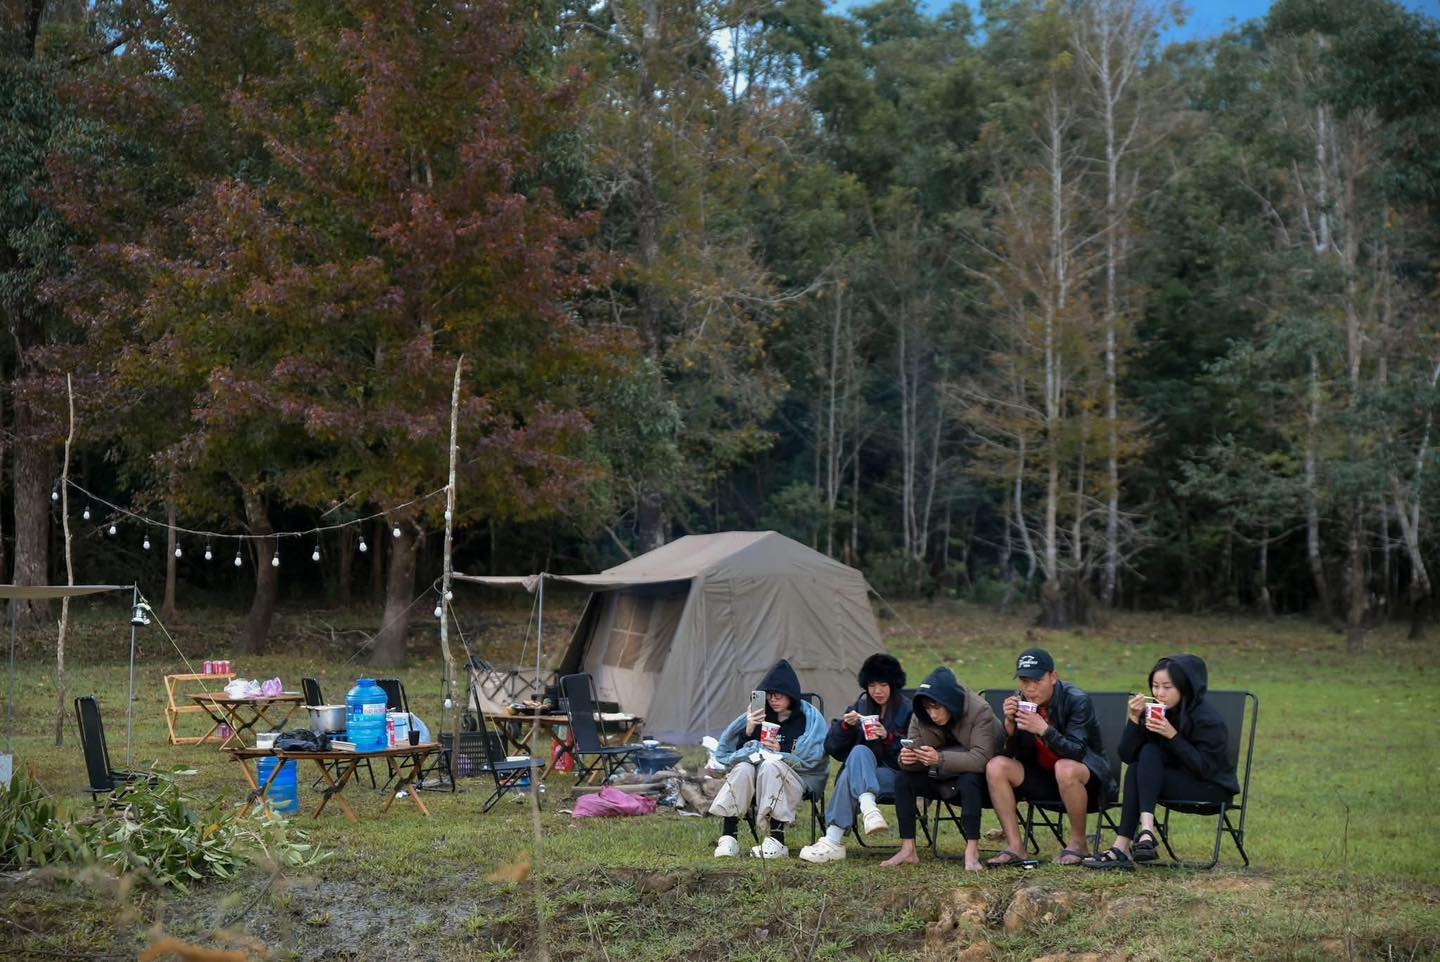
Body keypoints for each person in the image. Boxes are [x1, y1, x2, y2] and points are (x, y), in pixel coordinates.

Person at [1084, 654, 1240, 870]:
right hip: (1169, 782)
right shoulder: (1156, 713)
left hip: (1210, 787)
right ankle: (1136, 838)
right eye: (1155, 686)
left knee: (1144, 762)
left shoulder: (1208, 720)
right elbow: (1127, 756)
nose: (1159, 693)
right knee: (1141, 761)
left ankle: (1133, 841)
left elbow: (1205, 768)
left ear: (1185, 687)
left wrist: (1172, 736)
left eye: (1167, 687)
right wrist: (1134, 719)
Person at [985, 648, 1114, 866]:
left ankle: (1078, 844)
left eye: (1037, 681)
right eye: (1024, 681)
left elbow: (1077, 752)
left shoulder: (1077, 700)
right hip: (1044, 779)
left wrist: (1044, 730)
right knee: (996, 766)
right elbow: (1008, 755)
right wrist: (1009, 726)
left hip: (1088, 784)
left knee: (1065, 767)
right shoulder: (1021, 702)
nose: (1030, 688)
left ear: (1053, 677)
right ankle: (1015, 847)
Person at [878, 666, 999, 871]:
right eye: (928, 708)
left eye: (936, 707)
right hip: (939, 774)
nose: (932, 714)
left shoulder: (980, 711)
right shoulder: (920, 714)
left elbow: (981, 759)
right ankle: (908, 849)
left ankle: (972, 850)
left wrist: (939, 758)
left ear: (950, 702)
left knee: (969, 778)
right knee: (904, 779)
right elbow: (914, 749)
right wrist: (907, 759)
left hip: (979, 781)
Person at [798, 653, 913, 863]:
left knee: (849, 776)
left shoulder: (908, 710)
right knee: (859, 752)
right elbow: (832, 747)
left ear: (893, 684)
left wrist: (888, 737)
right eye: (872, 685)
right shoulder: (860, 707)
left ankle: (833, 840)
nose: (877, 691)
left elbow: (914, 749)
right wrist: (845, 727)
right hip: (867, 774)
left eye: (883, 685)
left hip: (897, 775)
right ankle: (869, 808)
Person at [709, 658, 828, 859]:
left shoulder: (805, 720)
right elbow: (735, 755)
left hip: (795, 777)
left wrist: (781, 752)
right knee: (743, 768)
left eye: (779, 695)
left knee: (772, 764)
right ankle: (729, 837)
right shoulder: (761, 716)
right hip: (757, 774)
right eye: (770, 694)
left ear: (791, 694)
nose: (773, 699)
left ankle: (777, 840)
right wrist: (749, 730)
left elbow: (811, 757)